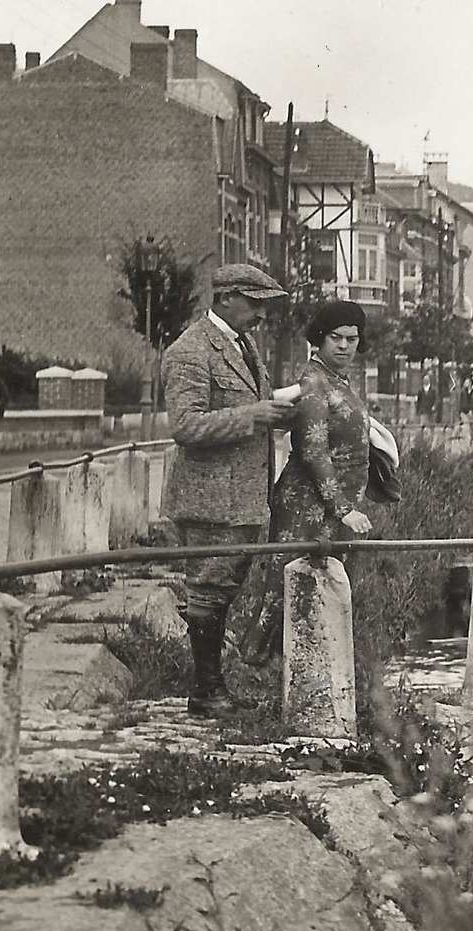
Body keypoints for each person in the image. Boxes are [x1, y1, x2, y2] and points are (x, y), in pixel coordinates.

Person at [161, 263, 297, 718]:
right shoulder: (191, 351)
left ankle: (212, 689)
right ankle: (206, 694)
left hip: (238, 498)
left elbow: (245, 404)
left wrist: (277, 412)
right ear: (227, 299)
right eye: (254, 303)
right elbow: (185, 425)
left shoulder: (242, 345)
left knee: (221, 593)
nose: (260, 314)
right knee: (206, 592)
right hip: (208, 499)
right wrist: (257, 416)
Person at [235, 299, 386, 663]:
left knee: (319, 586)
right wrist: (343, 509)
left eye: (352, 338)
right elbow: (314, 450)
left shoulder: (338, 380)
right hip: (307, 505)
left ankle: (307, 664)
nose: (344, 346)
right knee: (286, 586)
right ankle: (258, 665)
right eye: (336, 337)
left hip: (329, 506)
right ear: (319, 338)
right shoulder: (315, 383)